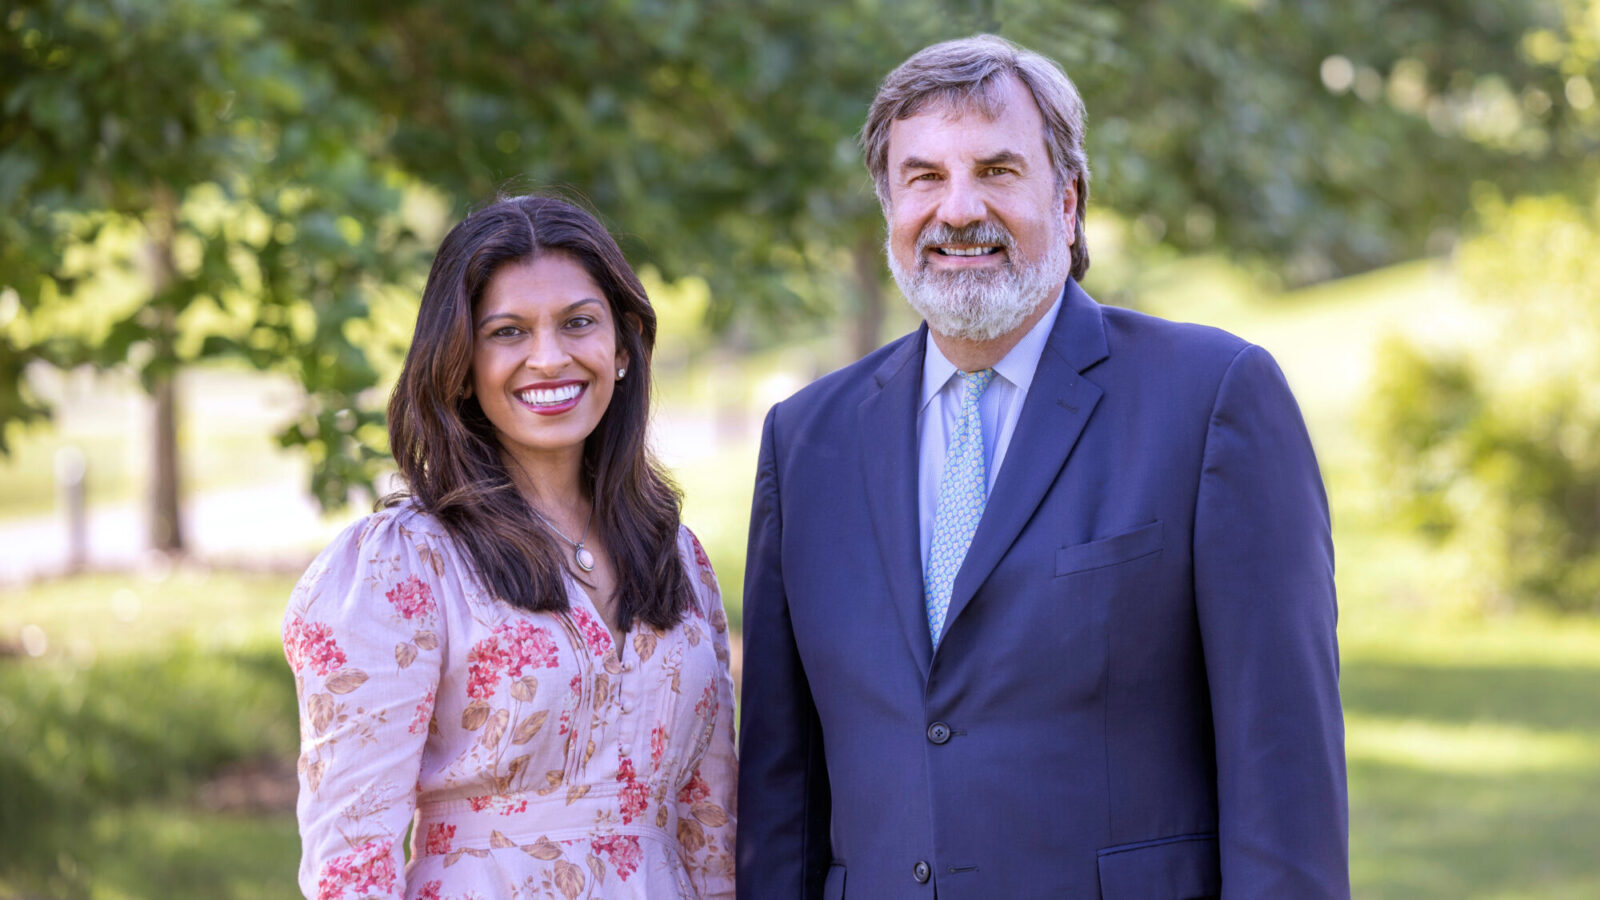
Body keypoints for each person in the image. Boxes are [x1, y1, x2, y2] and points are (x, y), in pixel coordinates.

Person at [736, 35, 1348, 899]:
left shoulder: (1212, 401)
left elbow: (1284, 770)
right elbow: (781, 793)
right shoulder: (805, 441)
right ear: (889, 210)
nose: (958, 210)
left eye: (997, 170)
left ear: (1067, 203)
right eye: (924, 178)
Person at [284, 195, 737, 900]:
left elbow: (711, 828)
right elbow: (352, 864)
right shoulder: (402, 567)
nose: (549, 357)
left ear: (621, 349)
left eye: (578, 323)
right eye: (508, 332)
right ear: (461, 364)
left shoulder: (675, 555)